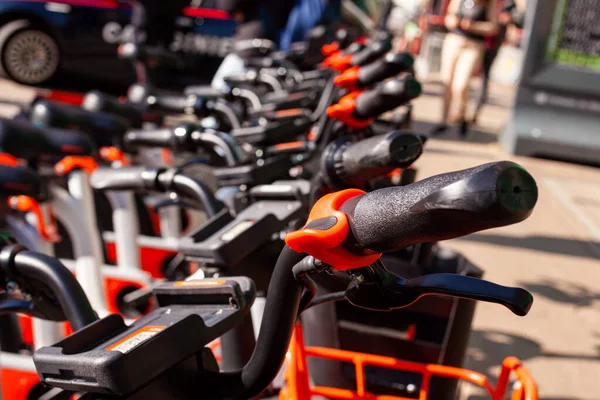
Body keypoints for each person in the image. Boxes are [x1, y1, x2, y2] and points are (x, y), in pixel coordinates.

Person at [432, 0, 498, 137]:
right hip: (454, 41)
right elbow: (448, 18)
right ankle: (443, 120)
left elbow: (493, 27)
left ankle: (461, 115)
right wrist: (454, 22)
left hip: (473, 45)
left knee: (461, 84)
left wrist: (473, 26)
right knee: (447, 81)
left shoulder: (489, 4)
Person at [471, 0, 525, 125]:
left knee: (484, 74)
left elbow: (517, 18)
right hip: (474, 38)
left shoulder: (506, 2)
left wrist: (508, 17)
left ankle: (475, 109)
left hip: (492, 43)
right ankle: (461, 109)